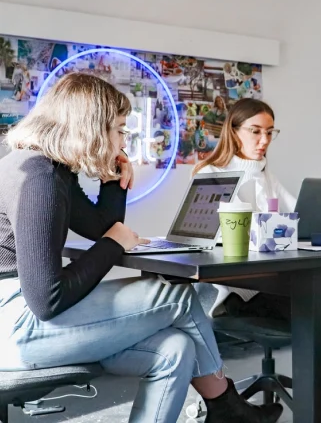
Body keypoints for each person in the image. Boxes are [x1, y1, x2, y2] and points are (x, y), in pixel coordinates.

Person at [0, 73, 283, 423]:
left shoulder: (51, 169)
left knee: (174, 349)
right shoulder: (38, 178)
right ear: (92, 127)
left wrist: (113, 181)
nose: (123, 139)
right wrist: (111, 244)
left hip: (25, 316)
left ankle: (227, 411)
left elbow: (101, 227)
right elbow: (46, 299)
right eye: (119, 129)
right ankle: (228, 407)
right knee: (178, 296)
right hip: (15, 325)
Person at [192, 98, 321, 423]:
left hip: (277, 284)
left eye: (270, 133)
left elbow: (299, 216)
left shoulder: (265, 175)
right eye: (255, 131)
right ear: (234, 131)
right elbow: (213, 242)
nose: (264, 141)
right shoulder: (211, 174)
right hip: (238, 293)